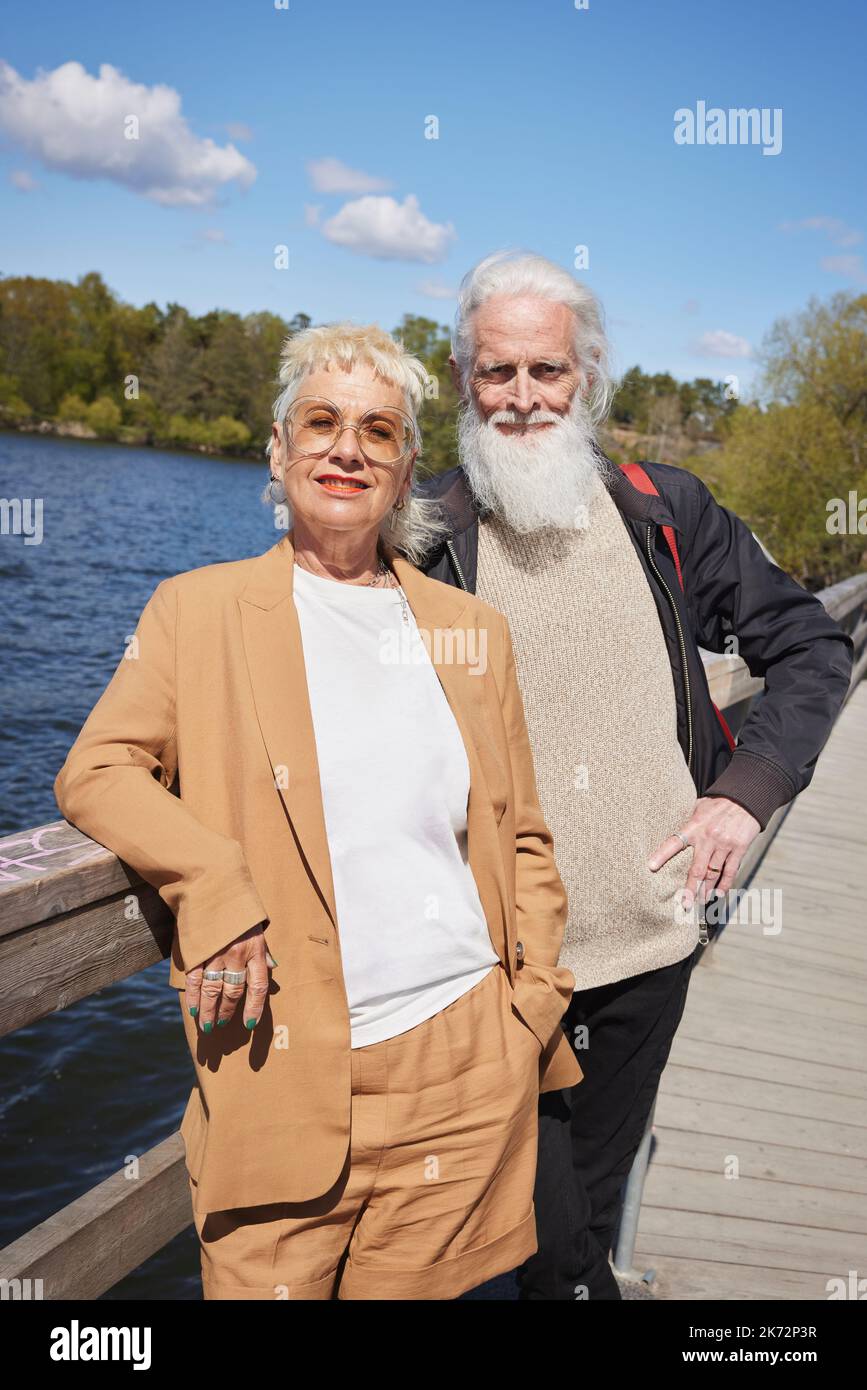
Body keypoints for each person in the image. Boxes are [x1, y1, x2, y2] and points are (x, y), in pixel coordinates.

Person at [53, 321, 582, 1301]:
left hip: (464, 1070)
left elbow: (523, 835)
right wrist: (213, 879)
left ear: (406, 465)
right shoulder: (194, 611)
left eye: (379, 431)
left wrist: (530, 1007)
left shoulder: (474, 632)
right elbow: (98, 768)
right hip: (270, 1064)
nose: (348, 449)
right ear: (279, 445)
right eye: (323, 422)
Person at [417, 251, 854, 1299]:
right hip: (500, 974)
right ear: (463, 376)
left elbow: (811, 645)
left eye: (547, 371)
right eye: (497, 372)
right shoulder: (424, 535)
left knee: (582, 1223)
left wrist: (743, 795)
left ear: (590, 374)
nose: (523, 398)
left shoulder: (666, 512)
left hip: (651, 944)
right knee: (551, 1244)